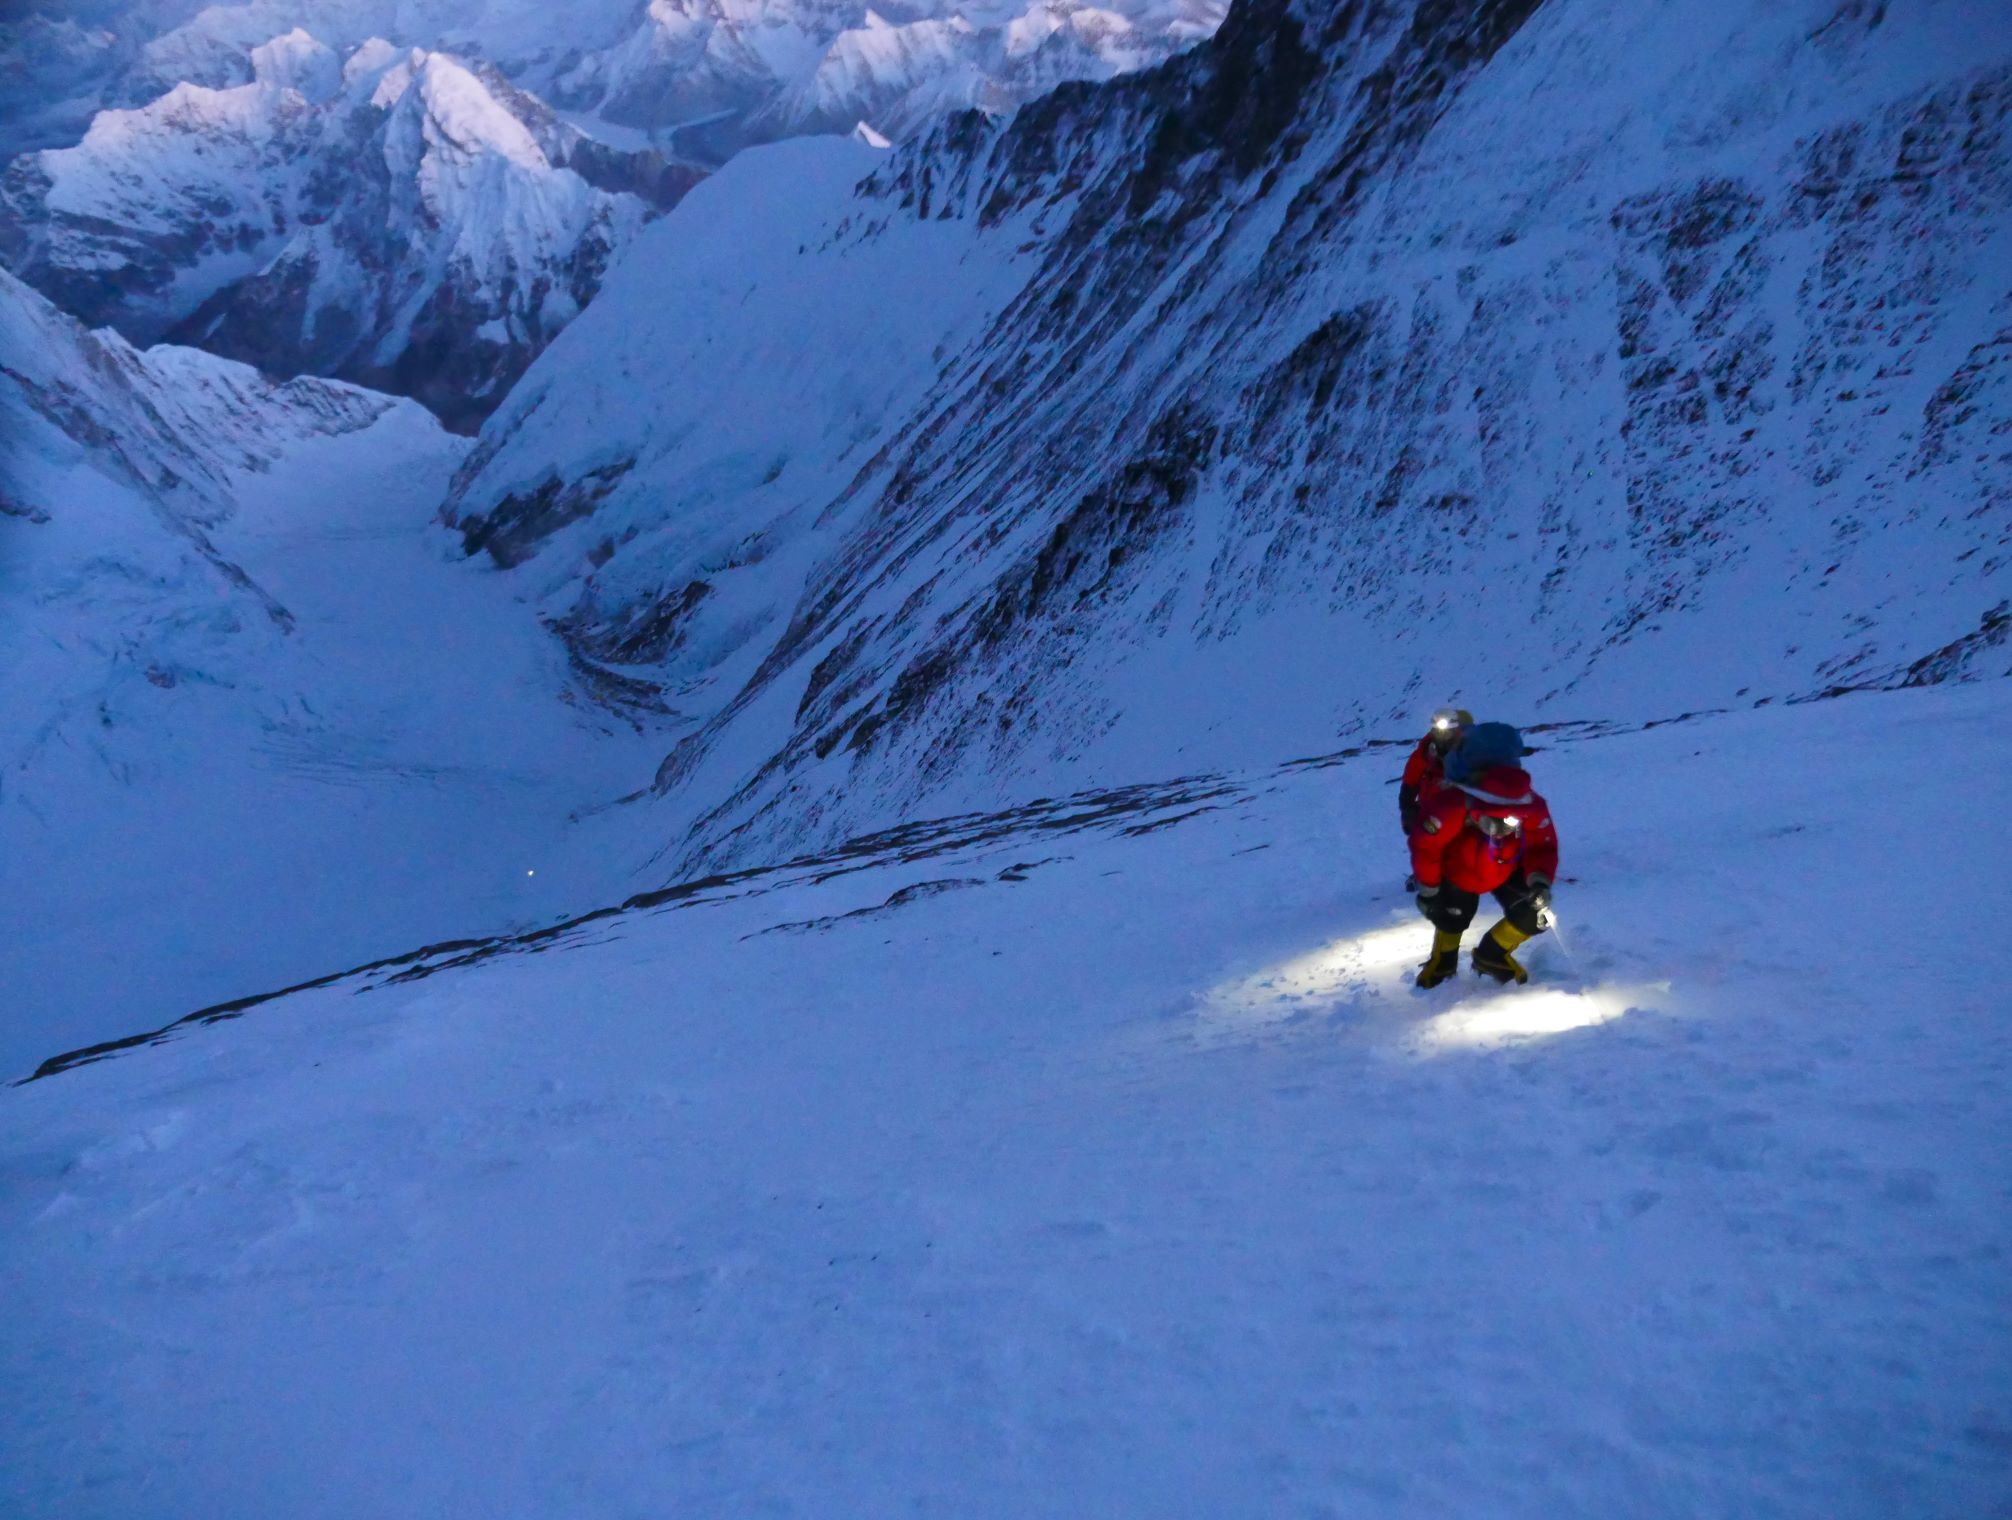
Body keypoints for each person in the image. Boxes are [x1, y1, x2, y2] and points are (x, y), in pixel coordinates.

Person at [1407, 726, 1559, 987]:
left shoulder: (1530, 806)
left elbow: (1542, 846)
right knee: (1451, 916)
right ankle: (1443, 963)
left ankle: (1492, 955)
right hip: (1459, 871)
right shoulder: (1455, 805)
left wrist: (1539, 881)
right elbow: (1426, 847)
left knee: (1534, 915)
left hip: (1504, 867)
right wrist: (1430, 888)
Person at [1398, 707, 1472, 836]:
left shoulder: (1469, 749)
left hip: (1464, 809)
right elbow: (1411, 778)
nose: (1442, 735)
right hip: (1432, 811)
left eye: (1447, 732)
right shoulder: (1425, 751)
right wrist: (1407, 809)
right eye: (1437, 731)